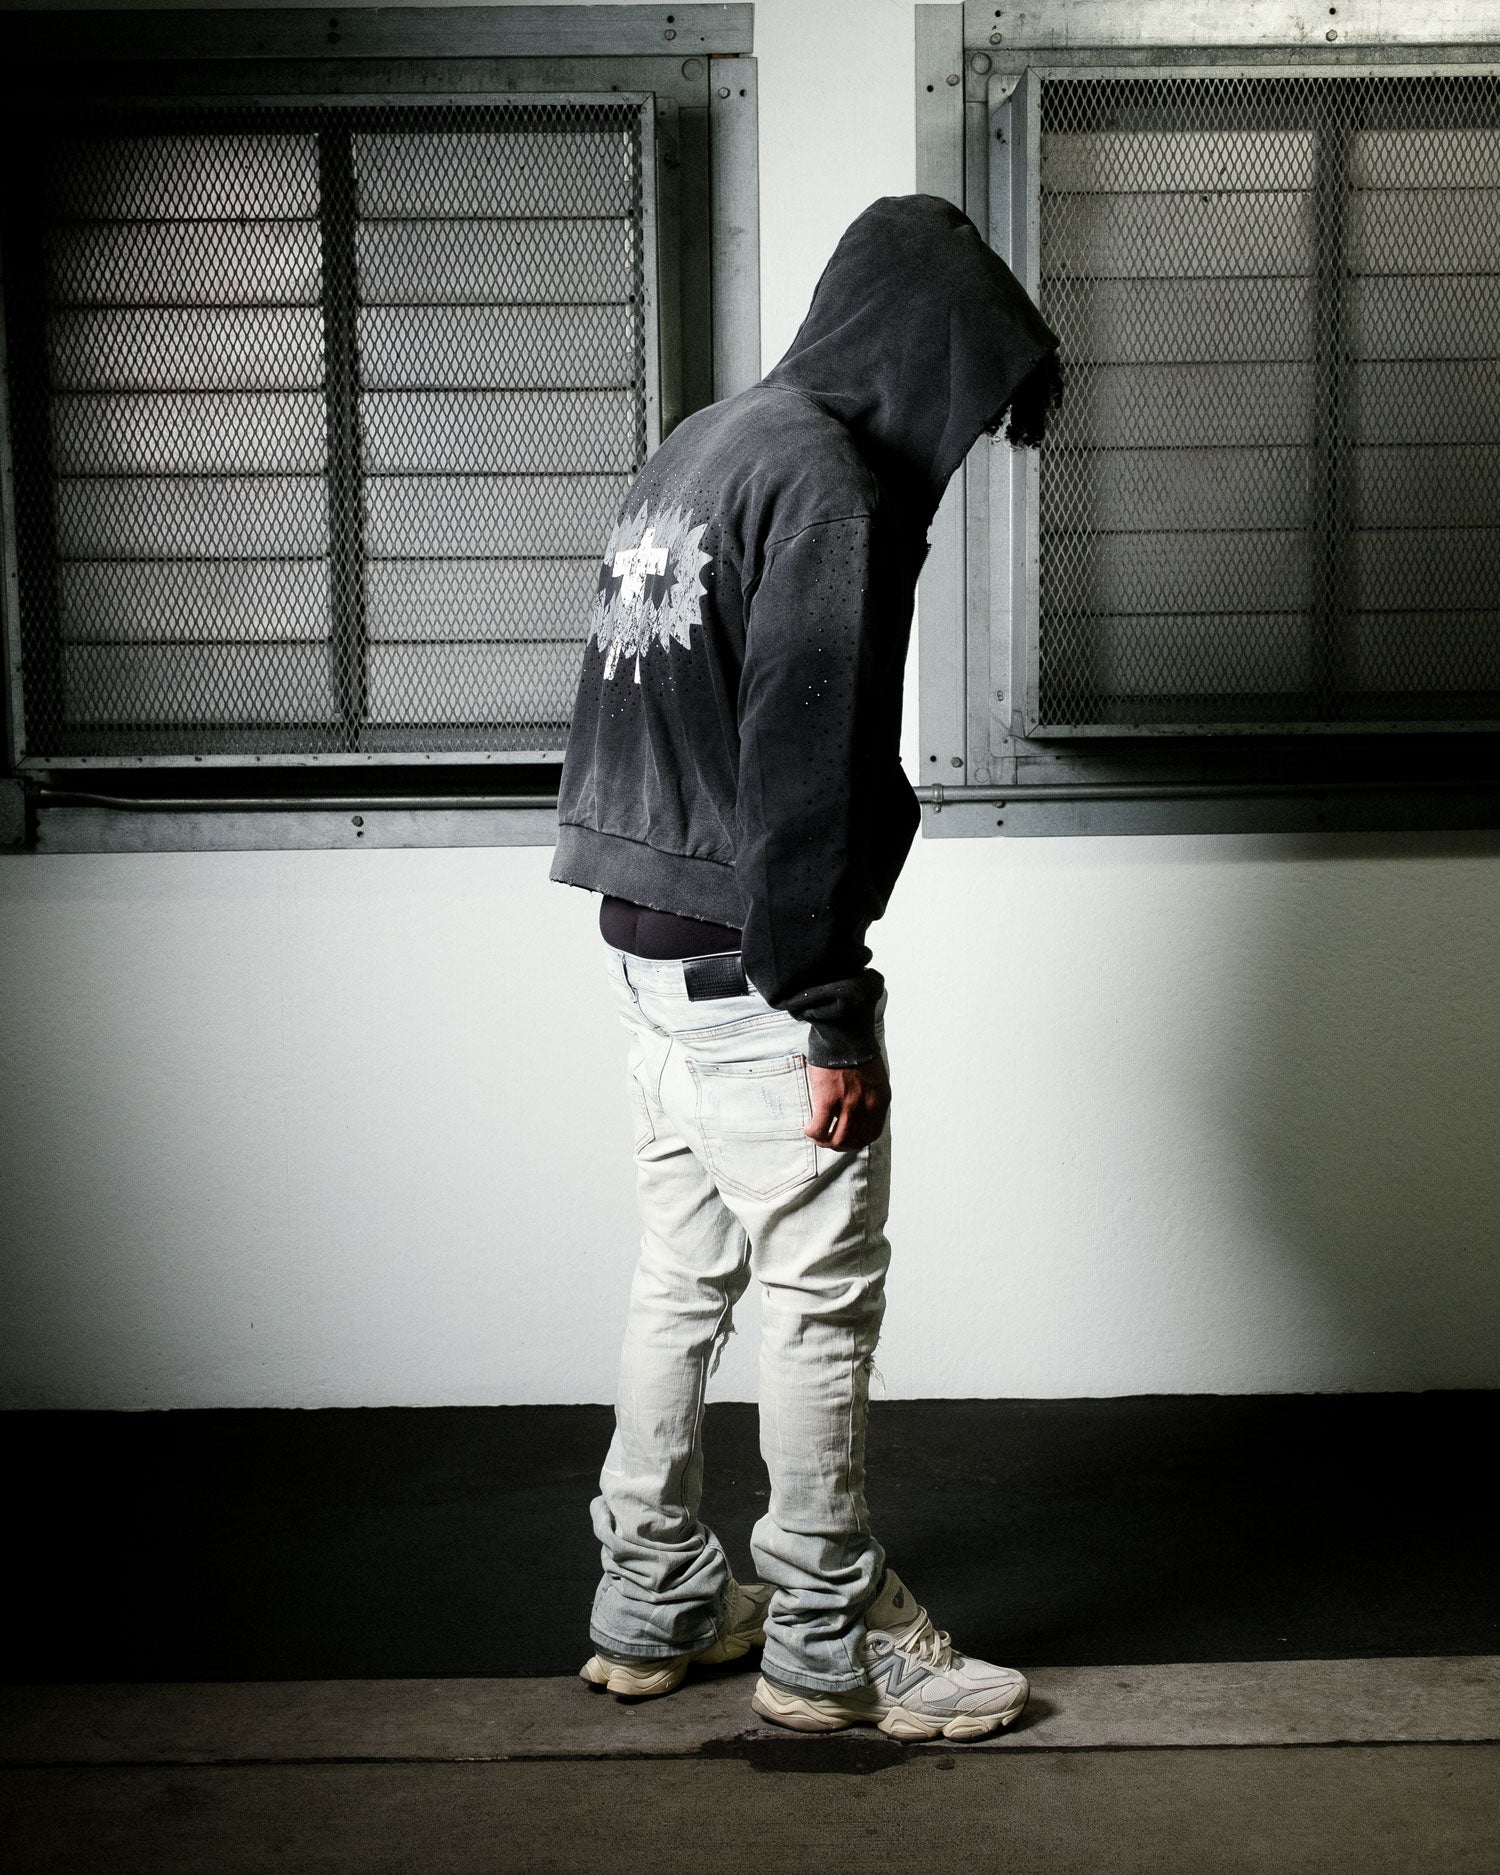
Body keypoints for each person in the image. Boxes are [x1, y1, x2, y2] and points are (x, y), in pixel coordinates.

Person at [549, 193, 1062, 1739]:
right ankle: (833, 1641)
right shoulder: (828, 486)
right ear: (917, 348)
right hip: (763, 983)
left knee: (677, 1288)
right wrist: (833, 1010)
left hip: (652, 964)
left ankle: (651, 1601)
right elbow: (806, 771)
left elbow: (641, 727)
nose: (959, 442)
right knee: (817, 1312)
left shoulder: (701, 447)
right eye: (969, 398)